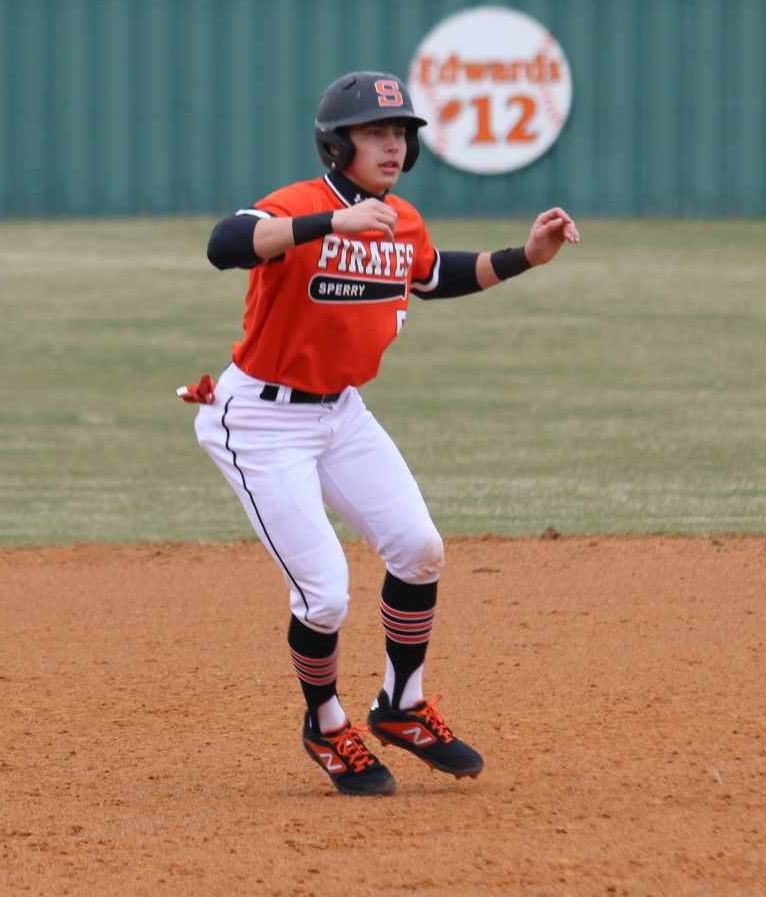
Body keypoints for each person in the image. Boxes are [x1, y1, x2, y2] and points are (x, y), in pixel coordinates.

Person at [189, 70, 580, 795]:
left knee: (419, 548)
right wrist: (325, 225)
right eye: (376, 132)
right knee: (325, 596)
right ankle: (327, 723)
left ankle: (400, 705)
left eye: (400, 134)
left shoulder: (399, 219)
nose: (393, 146)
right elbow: (224, 243)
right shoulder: (302, 205)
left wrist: (526, 256)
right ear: (337, 145)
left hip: (340, 414)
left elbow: (435, 276)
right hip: (261, 421)